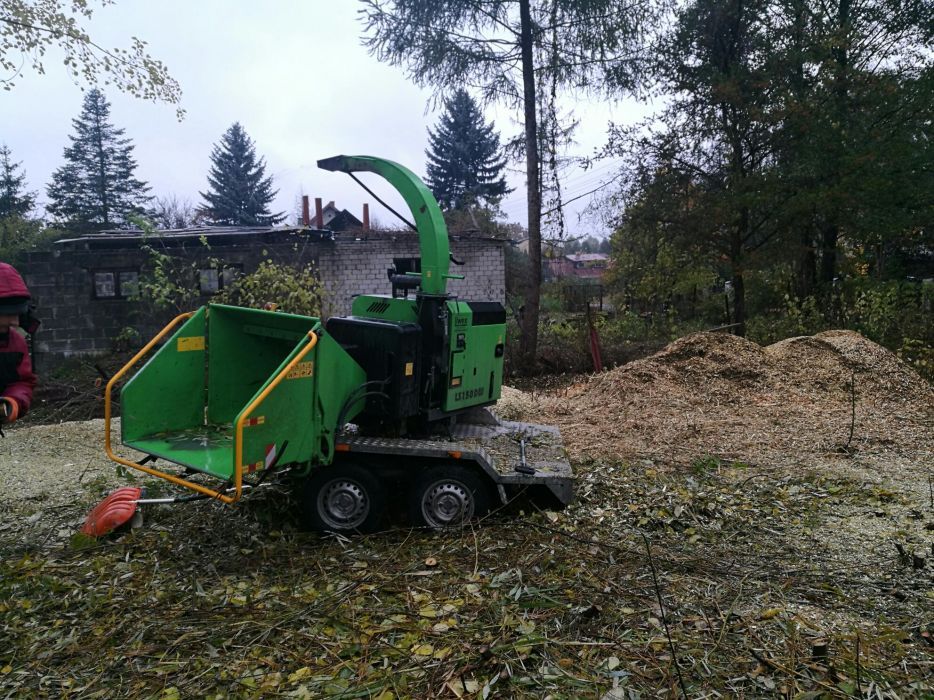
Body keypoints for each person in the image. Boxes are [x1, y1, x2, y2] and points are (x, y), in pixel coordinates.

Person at [0, 262, 37, 426]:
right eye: (7, 315)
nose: (15, 322)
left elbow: (22, 381)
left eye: (18, 314)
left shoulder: (15, 342)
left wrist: (13, 402)